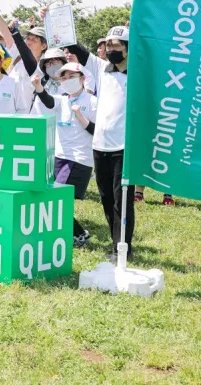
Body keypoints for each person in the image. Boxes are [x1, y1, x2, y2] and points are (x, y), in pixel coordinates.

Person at [68, 26, 133, 263]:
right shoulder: (100, 68)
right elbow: (75, 46)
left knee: (122, 199)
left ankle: (123, 247)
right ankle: (117, 243)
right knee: (106, 197)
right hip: (100, 146)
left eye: (117, 45)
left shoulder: (137, 74)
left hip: (124, 148)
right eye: (108, 45)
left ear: (127, 48)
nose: (111, 49)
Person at [32, 63, 97, 248]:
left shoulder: (92, 102)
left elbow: (98, 132)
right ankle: (78, 233)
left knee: (57, 199)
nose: (67, 81)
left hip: (78, 159)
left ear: (82, 78)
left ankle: (78, 235)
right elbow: (48, 101)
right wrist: (38, 87)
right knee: (54, 199)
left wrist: (81, 118)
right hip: (59, 158)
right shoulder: (62, 100)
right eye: (64, 78)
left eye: (72, 77)